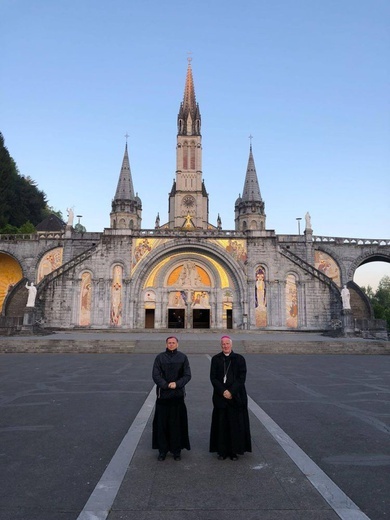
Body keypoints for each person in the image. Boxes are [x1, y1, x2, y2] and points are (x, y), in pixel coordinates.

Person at [209, 335, 251, 461]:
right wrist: (223, 391)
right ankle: (221, 451)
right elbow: (213, 378)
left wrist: (231, 391)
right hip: (220, 396)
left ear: (231, 344)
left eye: (227, 344)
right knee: (221, 423)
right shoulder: (216, 359)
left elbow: (241, 378)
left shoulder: (239, 359)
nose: (225, 346)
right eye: (223, 344)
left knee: (235, 423)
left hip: (236, 396)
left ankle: (234, 451)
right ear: (221, 345)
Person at [152, 336, 191, 461]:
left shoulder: (183, 357)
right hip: (163, 396)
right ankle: (162, 450)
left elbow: (187, 375)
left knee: (177, 424)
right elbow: (155, 374)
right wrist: (165, 385)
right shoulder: (160, 358)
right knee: (162, 424)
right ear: (166, 344)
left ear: (177, 344)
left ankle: (176, 450)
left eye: (173, 343)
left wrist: (177, 384)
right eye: (169, 343)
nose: (171, 344)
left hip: (178, 396)